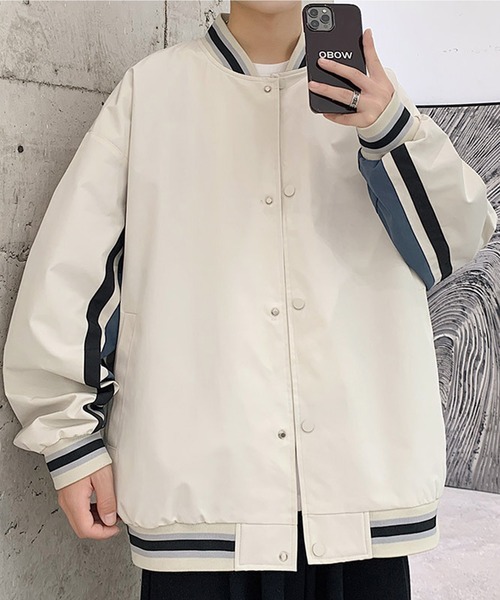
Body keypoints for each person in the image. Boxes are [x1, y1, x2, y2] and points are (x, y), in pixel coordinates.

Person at [2, 1, 497, 599]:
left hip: (360, 497)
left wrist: (391, 130)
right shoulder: (153, 92)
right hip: (203, 501)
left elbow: (456, 241)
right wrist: (69, 441)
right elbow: (74, 274)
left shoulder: (372, 97)